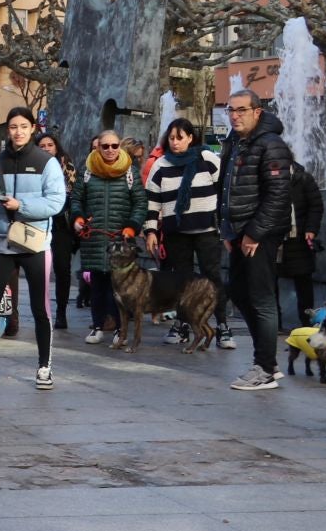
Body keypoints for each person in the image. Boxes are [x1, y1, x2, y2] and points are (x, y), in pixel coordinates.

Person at [0, 108, 68, 389]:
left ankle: (44, 367)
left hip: (34, 243)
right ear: (7, 129)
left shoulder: (47, 162)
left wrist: (20, 205)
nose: (18, 132)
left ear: (32, 128)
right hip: (2, 243)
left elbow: (56, 203)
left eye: (23, 126)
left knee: (40, 308)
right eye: (13, 127)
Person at [221, 90, 294, 391]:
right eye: (231, 110)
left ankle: (264, 368)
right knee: (238, 291)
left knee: (261, 298)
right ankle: (267, 361)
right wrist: (226, 228)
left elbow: (278, 194)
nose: (235, 115)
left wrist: (254, 233)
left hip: (259, 234)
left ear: (257, 112)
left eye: (241, 110)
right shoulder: (236, 142)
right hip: (238, 232)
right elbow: (225, 188)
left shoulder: (271, 144)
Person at [145, 117, 228, 349]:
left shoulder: (207, 159)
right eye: (171, 138)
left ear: (191, 138)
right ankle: (182, 325)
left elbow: (224, 191)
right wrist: (151, 231)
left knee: (212, 277)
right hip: (176, 232)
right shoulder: (161, 165)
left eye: (180, 138)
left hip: (206, 230)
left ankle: (222, 326)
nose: (175, 142)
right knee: (181, 280)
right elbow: (153, 200)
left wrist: (225, 223)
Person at [72, 132, 146, 344]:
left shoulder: (130, 172)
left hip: (120, 238)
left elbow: (140, 204)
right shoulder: (86, 171)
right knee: (97, 285)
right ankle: (97, 326)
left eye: (115, 145)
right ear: (98, 148)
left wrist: (131, 227)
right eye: (105, 146)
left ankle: (119, 329)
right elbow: (76, 199)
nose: (111, 150)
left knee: (120, 288)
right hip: (94, 237)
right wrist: (77, 218)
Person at [36, 132, 77, 332]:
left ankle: (61, 312)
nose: (45, 148)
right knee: (39, 270)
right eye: (42, 145)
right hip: (38, 223)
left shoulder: (67, 167)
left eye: (49, 145)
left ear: (56, 147)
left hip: (61, 225)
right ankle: (42, 311)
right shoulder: (32, 167)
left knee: (62, 270)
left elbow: (74, 195)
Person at [280, 160, 324, 328]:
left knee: (303, 280)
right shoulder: (267, 177)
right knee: (270, 279)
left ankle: (306, 322)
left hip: (299, 237)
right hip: (275, 237)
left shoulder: (303, 179)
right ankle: (273, 324)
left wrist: (311, 229)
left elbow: (316, 205)